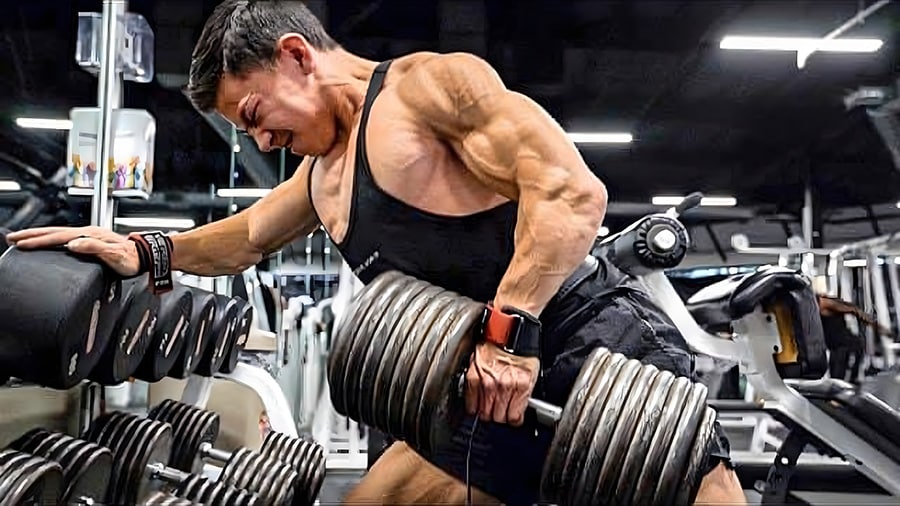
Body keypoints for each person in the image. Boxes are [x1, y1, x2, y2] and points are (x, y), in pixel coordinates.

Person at [7, 1, 745, 504]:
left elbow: (569, 191)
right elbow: (245, 238)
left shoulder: (429, 90)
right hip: (472, 382)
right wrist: (145, 251)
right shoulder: (323, 174)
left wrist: (511, 330)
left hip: (588, 341)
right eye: (245, 131)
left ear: (295, 55)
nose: (260, 141)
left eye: (257, 114)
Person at [817, 294, 893, 382]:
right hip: (836, 341)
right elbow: (853, 309)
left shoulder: (823, 302)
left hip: (840, 340)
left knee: (858, 344)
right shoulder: (820, 303)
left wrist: (875, 326)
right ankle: (842, 380)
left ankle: (851, 378)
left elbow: (853, 309)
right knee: (850, 349)